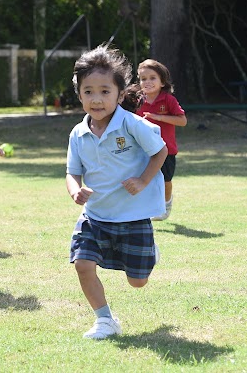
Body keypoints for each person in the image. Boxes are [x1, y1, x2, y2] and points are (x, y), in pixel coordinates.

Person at [66, 44, 167, 339]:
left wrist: (143, 180)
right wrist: (75, 190)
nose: (96, 99)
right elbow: (72, 171)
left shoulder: (132, 125)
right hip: (95, 215)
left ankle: (148, 254)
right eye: (88, 92)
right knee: (82, 264)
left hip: (133, 216)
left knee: (138, 281)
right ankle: (105, 320)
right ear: (80, 94)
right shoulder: (78, 133)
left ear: (120, 94)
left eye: (104, 91)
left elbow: (159, 152)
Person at [135, 59, 187, 221]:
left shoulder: (168, 100)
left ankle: (166, 204)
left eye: (152, 78)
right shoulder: (136, 100)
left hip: (166, 150)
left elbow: (182, 121)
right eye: (143, 79)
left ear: (162, 81)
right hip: (142, 150)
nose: (147, 82)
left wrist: (159, 117)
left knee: (165, 180)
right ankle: (143, 209)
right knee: (143, 179)